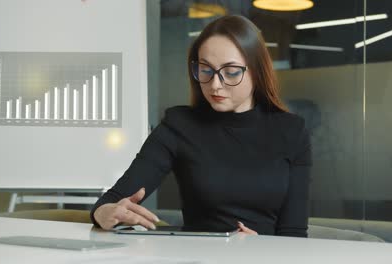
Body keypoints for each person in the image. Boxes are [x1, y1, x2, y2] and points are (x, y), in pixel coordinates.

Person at [91, 15, 312, 237]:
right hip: (197, 257)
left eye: (231, 72)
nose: (215, 85)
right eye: (206, 70)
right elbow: (110, 201)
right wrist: (105, 212)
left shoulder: (292, 131)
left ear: (256, 70)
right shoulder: (179, 125)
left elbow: (294, 234)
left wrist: (262, 247)